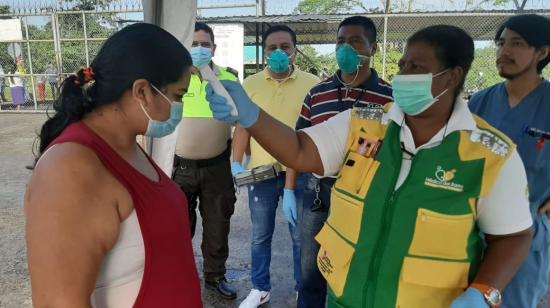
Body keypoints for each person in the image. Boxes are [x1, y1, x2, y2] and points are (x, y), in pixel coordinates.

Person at [209, 25, 533, 308]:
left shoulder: (489, 154)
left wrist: (483, 292)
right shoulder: (364, 123)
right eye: (403, 64)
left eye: (416, 67)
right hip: (346, 299)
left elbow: (514, 237)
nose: (403, 75)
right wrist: (250, 113)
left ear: (452, 76)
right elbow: (299, 149)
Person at [25, 23, 202, 307]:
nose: (179, 107)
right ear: (142, 91)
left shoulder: (126, 145)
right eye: (178, 96)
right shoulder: (70, 169)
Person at [282, 16, 393, 308]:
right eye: (341, 41)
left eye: (356, 41)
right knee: (310, 271)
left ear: (373, 48)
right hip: (317, 192)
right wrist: (289, 190)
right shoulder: (317, 94)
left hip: (363, 196)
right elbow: (297, 143)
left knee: (357, 267)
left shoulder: (388, 97)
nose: (346, 47)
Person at [231, 25, 320, 308]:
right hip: (262, 173)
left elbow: (311, 131)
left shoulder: (312, 83)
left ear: (295, 51)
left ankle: (301, 288)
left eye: (285, 47)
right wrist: (235, 163)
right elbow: (244, 125)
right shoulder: (251, 84)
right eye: (272, 48)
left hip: (303, 173)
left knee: (302, 238)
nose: (279, 52)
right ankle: (260, 288)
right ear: (264, 52)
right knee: (260, 235)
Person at [469, 14, 550, 308]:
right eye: (501, 43)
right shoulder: (479, 102)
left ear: (542, 53)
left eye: (517, 43)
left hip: (526, 238)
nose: (504, 51)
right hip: (471, 231)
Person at [171, 21, 238, 300]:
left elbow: (241, 120)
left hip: (217, 167)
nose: (199, 49)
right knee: (175, 227)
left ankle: (215, 276)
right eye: (194, 44)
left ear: (214, 47)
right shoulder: (172, 79)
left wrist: (238, 161)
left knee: (217, 225)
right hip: (178, 168)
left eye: (204, 44)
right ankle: (176, 276)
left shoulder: (229, 80)